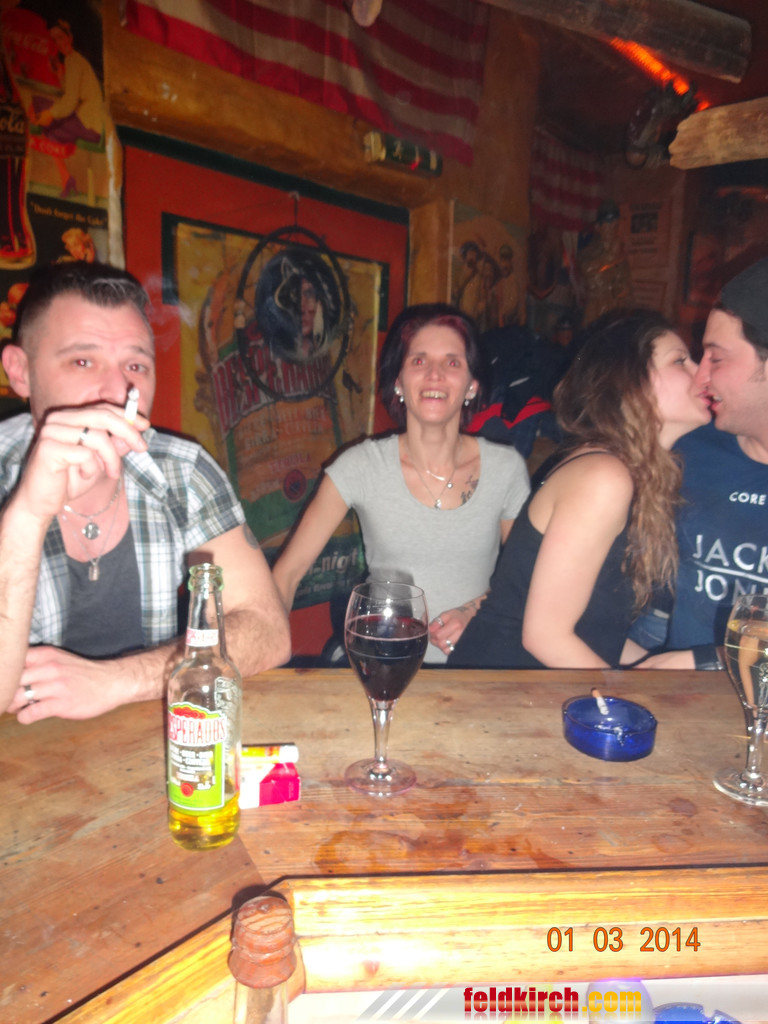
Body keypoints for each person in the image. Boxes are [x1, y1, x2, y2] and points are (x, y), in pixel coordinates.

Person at [0, 262, 290, 721]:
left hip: (150, 744)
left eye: (135, 366)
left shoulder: (181, 470)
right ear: (20, 372)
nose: (118, 390)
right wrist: (27, 516)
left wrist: (115, 681)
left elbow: (268, 630)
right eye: (82, 361)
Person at [449, 309, 712, 669]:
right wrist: (629, 695)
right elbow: (545, 636)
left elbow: (597, 632)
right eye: (680, 360)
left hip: (530, 686)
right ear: (630, 381)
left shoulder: (620, 472)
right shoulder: (603, 477)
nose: (701, 372)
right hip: (500, 688)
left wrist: (657, 671)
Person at [272, 302, 530, 664]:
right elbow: (286, 575)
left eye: (452, 363)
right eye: (419, 361)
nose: (435, 375)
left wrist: (473, 609)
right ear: (398, 383)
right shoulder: (360, 466)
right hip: (384, 662)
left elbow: (526, 578)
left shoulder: (506, 468)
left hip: (477, 665)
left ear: (472, 386)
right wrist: (266, 655)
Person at [639, 257, 768, 670]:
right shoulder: (689, 450)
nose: (700, 377)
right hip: (682, 698)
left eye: (717, 358)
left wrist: (702, 661)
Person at [29, 19, 104, 198]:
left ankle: (66, 178)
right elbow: (74, 93)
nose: (58, 43)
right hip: (87, 122)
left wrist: (49, 113)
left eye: (61, 37)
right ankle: (67, 179)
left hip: (89, 125)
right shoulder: (72, 60)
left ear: (70, 37)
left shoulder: (74, 61)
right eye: (54, 40)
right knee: (49, 130)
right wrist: (61, 76)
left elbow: (70, 102)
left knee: (38, 104)